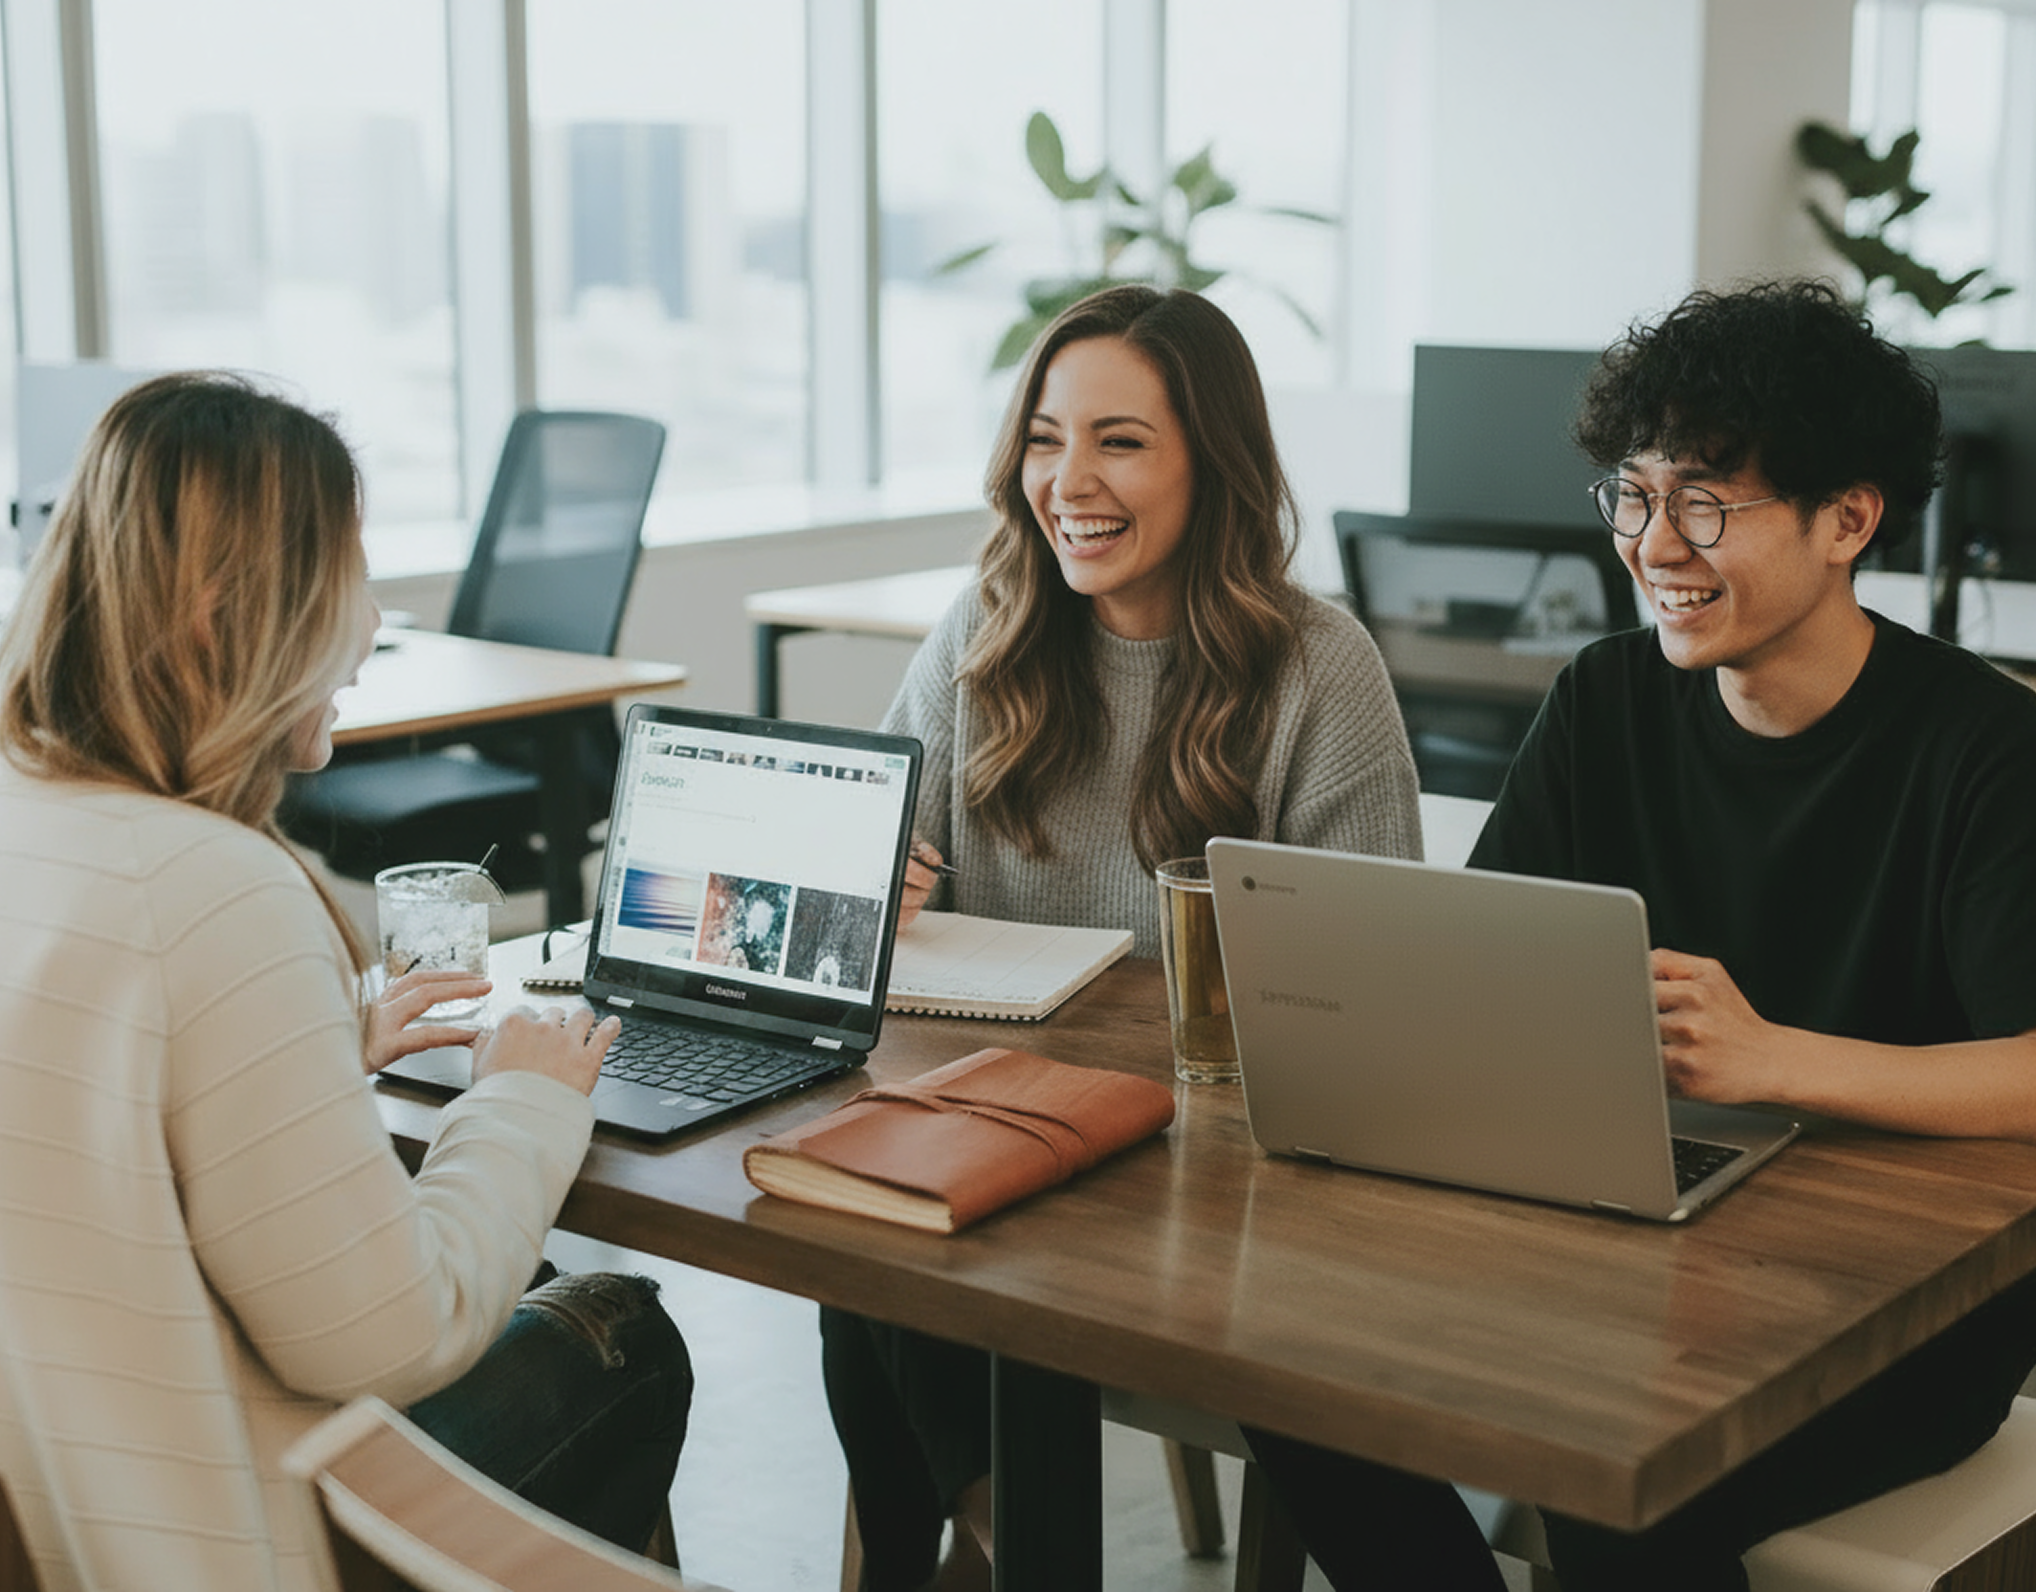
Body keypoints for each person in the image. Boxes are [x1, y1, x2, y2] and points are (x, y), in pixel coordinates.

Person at [1243, 278, 2036, 1591]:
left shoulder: (1985, 751)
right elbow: (1472, 963)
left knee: (1628, 1474)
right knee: (1294, 1382)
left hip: (1897, 1301)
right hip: (1639, 1237)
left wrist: (1772, 1057)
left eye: (1708, 501)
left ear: (1850, 519)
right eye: (1637, 495)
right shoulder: (1605, 700)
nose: (1656, 543)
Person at [0, 373, 695, 1591]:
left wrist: (315, 1047)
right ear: (229, 613)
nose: (371, 625)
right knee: (617, 1330)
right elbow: (387, 1334)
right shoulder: (212, 888)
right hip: (211, 1527)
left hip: (68, 1487)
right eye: (350, 574)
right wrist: (520, 1101)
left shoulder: (32, 812)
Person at [824, 284, 1422, 1591]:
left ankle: (984, 1534)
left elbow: (1377, 998)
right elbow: (848, 877)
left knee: (1315, 1386)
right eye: (1044, 438)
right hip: (1008, 1142)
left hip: (1227, 1181)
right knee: (860, 1224)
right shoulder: (982, 636)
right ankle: (985, 1527)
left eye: (1121, 441)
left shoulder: (1321, 670)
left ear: (1216, 462)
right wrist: (875, 891)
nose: (1068, 479)